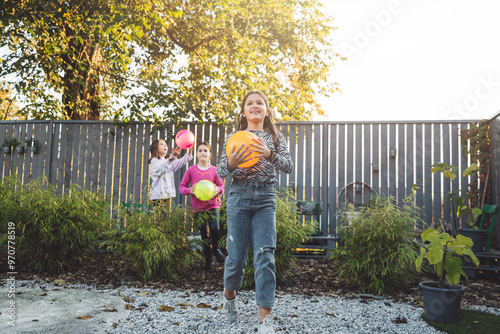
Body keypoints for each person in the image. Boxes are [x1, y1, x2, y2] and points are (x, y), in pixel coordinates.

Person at [217, 90, 293, 333]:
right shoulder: (234, 137)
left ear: (266, 110)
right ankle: (229, 298)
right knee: (235, 259)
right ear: (243, 111)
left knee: (265, 256)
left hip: (265, 199)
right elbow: (220, 171)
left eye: (260, 103)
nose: (255, 106)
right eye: (250, 103)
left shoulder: (275, 138)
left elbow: (289, 166)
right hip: (239, 197)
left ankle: (265, 320)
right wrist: (231, 162)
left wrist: (269, 154)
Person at [179, 141, 226, 270]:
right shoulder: (191, 170)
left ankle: (216, 250)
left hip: (213, 205)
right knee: (204, 235)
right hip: (198, 208)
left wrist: (218, 190)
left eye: (205, 150)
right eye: (200, 150)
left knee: (215, 230)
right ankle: (208, 261)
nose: (203, 153)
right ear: (196, 154)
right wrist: (190, 190)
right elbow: (181, 188)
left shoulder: (215, 170)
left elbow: (222, 187)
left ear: (210, 154)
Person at [148, 138, 193, 207]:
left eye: (166, 145)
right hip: (157, 196)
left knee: (165, 216)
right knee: (158, 216)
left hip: (166, 195)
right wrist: (172, 157)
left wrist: (188, 153)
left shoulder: (167, 160)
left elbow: (179, 163)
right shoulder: (154, 161)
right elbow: (162, 169)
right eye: (162, 144)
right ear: (155, 149)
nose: (165, 146)